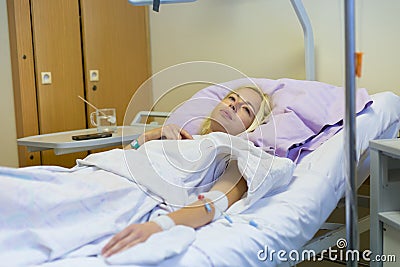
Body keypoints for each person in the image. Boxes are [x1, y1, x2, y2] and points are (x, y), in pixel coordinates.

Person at [102, 85, 271, 257]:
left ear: (253, 126)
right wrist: (147, 137)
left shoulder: (237, 154)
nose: (234, 105)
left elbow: (213, 204)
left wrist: (157, 226)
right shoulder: (181, 138)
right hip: (102, 176)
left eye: (246, 109)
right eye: (232, 98)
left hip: (125, 194)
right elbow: (120, 160)